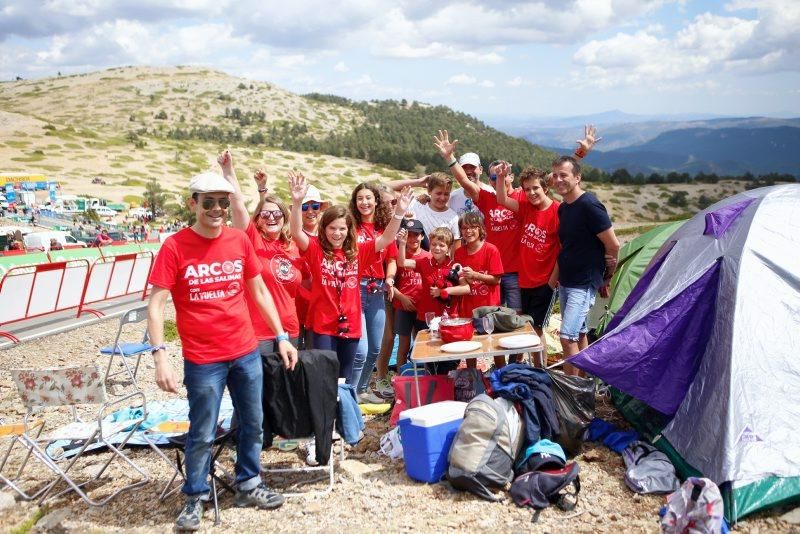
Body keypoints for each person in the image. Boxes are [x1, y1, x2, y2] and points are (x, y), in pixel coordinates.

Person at [147, 170, 298, 531]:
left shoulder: (238, 241)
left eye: (223, 202)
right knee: (201, 431)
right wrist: (160, 357)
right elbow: (156, 305)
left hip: (245, 350)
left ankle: (248, 483)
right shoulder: (175, 246)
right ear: (193, 204)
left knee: (253, 423)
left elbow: (259, 291)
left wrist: (280, 335)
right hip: (203, 358)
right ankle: (195, 496)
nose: (217, 209)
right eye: (209, 202)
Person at [288, 172, 412, 384]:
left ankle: (345, 411)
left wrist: (399, 212)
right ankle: (326, 416)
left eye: (342, 229)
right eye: (332, 228)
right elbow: (296, 232)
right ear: (324, 229)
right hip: (323, 326)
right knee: (325, 376)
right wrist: (297, 202)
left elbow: (386, 238)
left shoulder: (358, 251)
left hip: (351, 326)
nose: (337, 233)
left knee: (344, 380)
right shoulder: (316, 249)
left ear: (349, 230)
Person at [218, 150, 304, 353]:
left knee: (285, 383)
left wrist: (298, 202)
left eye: (277, 213)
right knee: (261, 384)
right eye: (265, 214)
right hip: (259, 331)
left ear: (285, 217)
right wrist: (229, 170)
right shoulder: (252, 240)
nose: (272, 218)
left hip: (290, 328)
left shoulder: (293, 245)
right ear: (257, 219)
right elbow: (238, 205)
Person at [550, 155, 619, 375]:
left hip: (584, 281)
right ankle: (587, 382)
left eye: (564, 175)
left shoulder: (590, 205)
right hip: (568, 280)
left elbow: (613, 245)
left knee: (566, 336)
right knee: (579, 334)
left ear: (578, 177)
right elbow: (568, 245)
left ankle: (572, 392)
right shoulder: (564, 208)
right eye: (556, 175)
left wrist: (607, 276)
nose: (559, 179)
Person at [495, 166, 560, 364]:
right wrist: (500, 177)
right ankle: (529, 368)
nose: (531, 193)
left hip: (544, 282)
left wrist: (552, 282)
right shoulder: (526, 208)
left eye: (535, 188)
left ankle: (541, 371)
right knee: (526, 326)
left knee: (536, 328)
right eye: (527, 190)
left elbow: (563, 251)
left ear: (545, 188)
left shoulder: (558, 211)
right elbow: (502, 199)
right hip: (524, 280)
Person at [348, 182, 398, 403]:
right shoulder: (349, 226)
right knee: (361, 348)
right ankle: (350, 393)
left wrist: (389, 278)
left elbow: (392, 260)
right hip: (355, 288)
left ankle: (362, 390)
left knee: (376, 348)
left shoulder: (384, 228)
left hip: (377, 288)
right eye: (360, 198)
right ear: (354, 202)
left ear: (376, 201)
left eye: (368, 198)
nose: (364, 202)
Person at [397, 226, 470, 375]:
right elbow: (402, 262)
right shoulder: (424, 262)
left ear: (449, 247)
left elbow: (466, 289)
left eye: (442, 245)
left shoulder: (455, 266)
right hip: (426, 318)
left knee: (448, 361)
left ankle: (447, 390)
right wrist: (402, 243)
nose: (437, 248)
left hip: (448, 319)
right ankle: (431, 391)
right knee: (429, 359)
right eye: (434, 244)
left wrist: (444, 292)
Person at [453, 211, 505, 369]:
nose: (468, 231)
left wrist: (476, 275)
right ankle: (472, 378)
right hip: (468, 308)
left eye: (472, 227)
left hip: (488, 308)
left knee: (496, 347)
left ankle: (502, 375)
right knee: (469, 348)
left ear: (481, 228)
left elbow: (497, 279)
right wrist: (465, 278)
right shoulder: (459, 253)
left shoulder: (491, 250)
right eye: (464, 228)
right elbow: (462, 281)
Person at [390, 219, 430, 375]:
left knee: (423, 345)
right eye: (409, 235)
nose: (412, 239)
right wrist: (402, 298)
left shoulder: (428, 256)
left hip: (423, 308)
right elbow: (389, 282)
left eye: (416, 235)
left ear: (422, 236)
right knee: (404, 346)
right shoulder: (398, 255)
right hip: (403, 307)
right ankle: (401, 379)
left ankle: (425, 377)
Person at [391, 173, 460, 248]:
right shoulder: (416, 204)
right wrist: (418, 182)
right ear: (429, 191)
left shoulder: (453, 217)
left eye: (446, 194)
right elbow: (383, 188)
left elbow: (455, 247)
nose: (442, 198)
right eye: (438, 193)